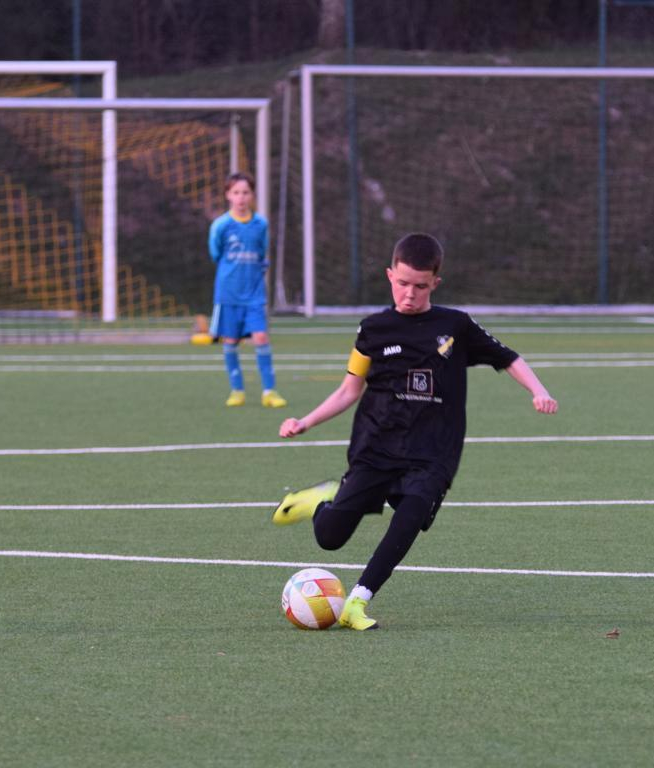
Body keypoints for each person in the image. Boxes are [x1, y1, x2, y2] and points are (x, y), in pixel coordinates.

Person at [271, 232, 558, 630]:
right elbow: (349, 390)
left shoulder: (454, 326)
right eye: (403, 283)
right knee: (330, 537)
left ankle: (357, 601)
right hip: (376, 445)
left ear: (435, 283)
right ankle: (323, 500)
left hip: (433, 452)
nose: (409, 294)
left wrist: (539, 390)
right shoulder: (373, 330)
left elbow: (508, 357)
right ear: (390, 275)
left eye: (420, 286)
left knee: (411, 513)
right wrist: (305, 421)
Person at [208, 171, 286, 408]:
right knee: (231, 340)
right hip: (228, 293)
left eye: (245, 192)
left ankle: (269, 391)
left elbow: (262, 252)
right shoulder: (221, 225)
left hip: (254, 294)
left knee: (260, 337)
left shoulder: (260, 224)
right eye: (236, 192)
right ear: (228, 195)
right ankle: (237, 391)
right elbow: (215, 253)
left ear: (252, 195)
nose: (241, 197)